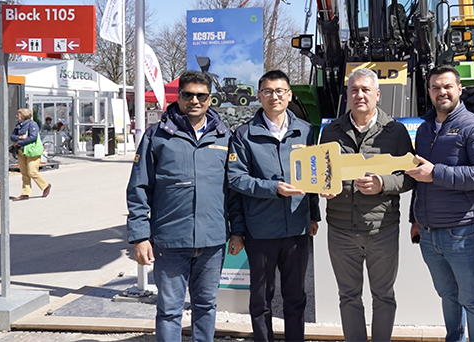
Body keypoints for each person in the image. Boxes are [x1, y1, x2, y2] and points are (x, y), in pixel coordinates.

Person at [126, 70, 231, 342]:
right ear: (179, 96)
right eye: (188, 95)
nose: (194, 101)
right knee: (169, 310)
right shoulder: (157, 136)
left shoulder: (224, 137)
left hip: (212, 240)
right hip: (170, 241)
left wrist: (238, 230)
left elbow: (233, 190)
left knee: (206, 306)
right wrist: (139, 236)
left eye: (201, 96)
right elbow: (138, 188)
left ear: (210, 99)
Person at [318, 68, 415, 342]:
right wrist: (324, 189)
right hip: (341, 230)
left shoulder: (395, 131)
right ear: (347, 94)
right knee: (348, 296)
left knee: (383, 296)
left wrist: (383, 184)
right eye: (354, 90)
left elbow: (410, 177)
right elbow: (321, 175)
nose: (359, 95)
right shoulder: (331, 131)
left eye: (365, 90)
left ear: (377, 94)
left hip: (381, 230)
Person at [226, 70, 320, 342]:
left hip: (297, 228)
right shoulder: (244, 134)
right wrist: (272, 188)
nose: (274, 96)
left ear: (289, 96)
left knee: (296, 297)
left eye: (280, 91)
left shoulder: (305, 131)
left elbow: (313, 176)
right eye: (268, 91)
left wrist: (313, 214)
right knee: (261, 298)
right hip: (261, 230)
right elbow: (236, 179)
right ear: (259, 96)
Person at [406, 65, 474, 342]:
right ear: (429, 92)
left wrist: (436, 173)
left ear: (459, 89)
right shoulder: (424, 129)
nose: (441, 92)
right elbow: (419, 177)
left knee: (473, 299)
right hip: (429, 232)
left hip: (463, 232)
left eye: (447, 86)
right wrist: (415, 218)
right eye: (435, 87)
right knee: (448, 295)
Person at [10, 108, 51, 201]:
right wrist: (21, 137)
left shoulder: (32, 124)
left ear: (24, 115)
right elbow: (12, 136)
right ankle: (25, 193)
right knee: (24, 173)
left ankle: (45, 186)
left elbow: (33, 137)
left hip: (32, 151)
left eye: (19, 114)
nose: (17, 116)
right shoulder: (18, 125)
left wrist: (20, 142)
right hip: (21, 151)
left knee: (32, 171)